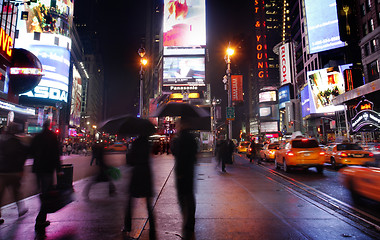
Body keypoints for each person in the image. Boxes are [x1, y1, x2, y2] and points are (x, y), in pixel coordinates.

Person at [30, 120, 61, 232]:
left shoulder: (37, 137)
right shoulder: (52, 136)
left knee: (42, 192)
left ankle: (41, 218)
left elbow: (31, 151)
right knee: (46, 194)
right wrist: (59, 169)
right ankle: (40, 219)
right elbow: (56, 153)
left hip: (38, 168)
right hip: (48, 168)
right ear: (50, 126)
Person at [123, 135, 156, 239]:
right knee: (148, 204)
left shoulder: (135, 143)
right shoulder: (148, 143)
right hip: (146, 173)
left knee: (130, 202)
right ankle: (153, 228)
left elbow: (130, 161)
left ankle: (128, 227)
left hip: (137, 174)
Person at [170, 118, 198, 240]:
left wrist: (174, 142)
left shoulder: (180, 138)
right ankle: (190, 223)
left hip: (182, 173)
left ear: (182, 125)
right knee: (190, 197)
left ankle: (187, 222)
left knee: (182, 198)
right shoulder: (193, 138)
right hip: (190, 171)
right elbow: (194, 155)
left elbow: (177, 154)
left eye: (177, 124)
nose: (176, 126)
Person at [0, 123, 29, 224]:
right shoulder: (19, 143)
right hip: (14, 172)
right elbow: (23, 156)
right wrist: (21, 169)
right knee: (16, 192)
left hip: (2, 172)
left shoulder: (2, 141)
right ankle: (21, 209)